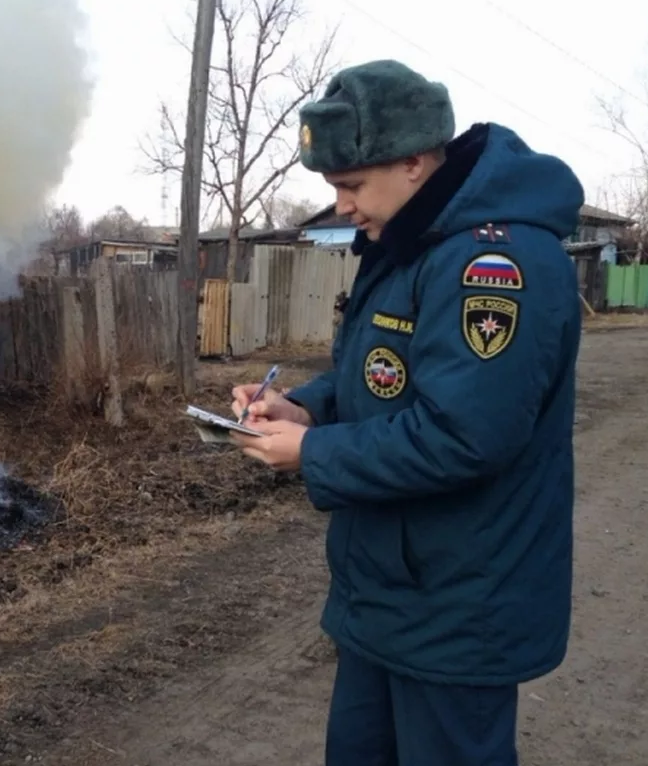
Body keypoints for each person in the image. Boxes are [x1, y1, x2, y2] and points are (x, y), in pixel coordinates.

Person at [230, 59, 584, 765]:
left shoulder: (493, 264)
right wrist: (302, 406)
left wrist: (313, 454)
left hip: (460, 605)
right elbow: (383, 378)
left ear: (417, 162)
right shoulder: (408, 246)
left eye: (352, 185)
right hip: (389, 592)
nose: (342, 207)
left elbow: (464, 435)